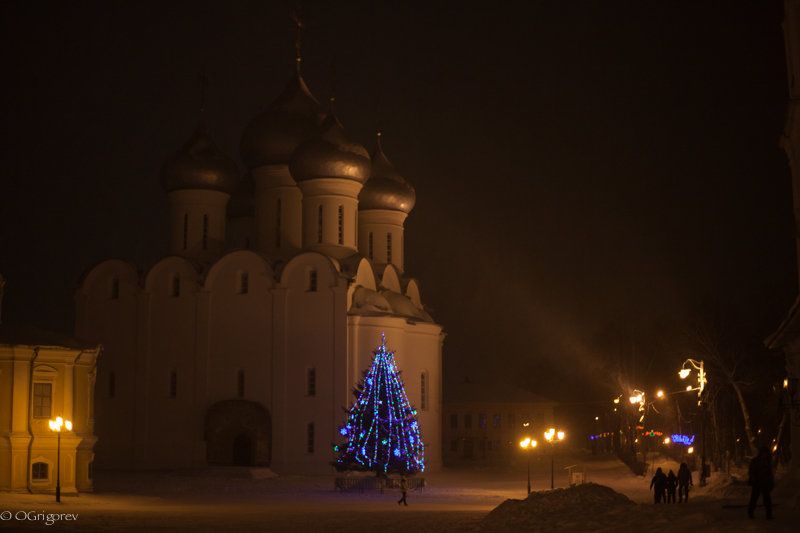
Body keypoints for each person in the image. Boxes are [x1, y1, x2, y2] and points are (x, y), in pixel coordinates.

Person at [747, 447, 774, 520]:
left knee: (767, 499)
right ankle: (750, 512)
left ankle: (769, 515)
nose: (764, 455)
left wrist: (771, 482)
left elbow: (770, 473)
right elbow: (751, 471)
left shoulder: (767, 462)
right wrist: (753, 478)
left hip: (765, 483)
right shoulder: (755, 461)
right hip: (757, 483)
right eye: (763, 453)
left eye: (765, 453)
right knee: (754, 498)